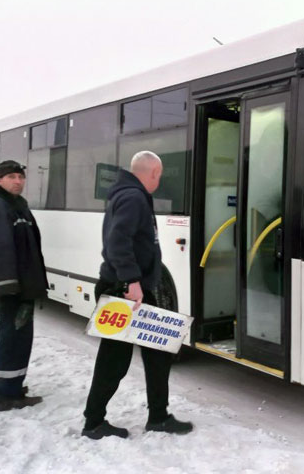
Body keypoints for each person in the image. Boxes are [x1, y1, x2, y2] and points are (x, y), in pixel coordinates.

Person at [82, 151, 193, 439]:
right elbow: (117, 242)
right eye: (160, 174)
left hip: (136, 291)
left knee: (159, 352)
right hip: (124, 292)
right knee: (114, 361)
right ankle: (93, 422)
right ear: (154, 172)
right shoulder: (132, 197)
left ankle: (158, 416)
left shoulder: (131, 194)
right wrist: (131, 281)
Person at [0, 160, 48, 411]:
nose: (18, 181)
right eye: (12, 177)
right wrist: (8, 290)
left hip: (18, 287)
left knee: (7, 337)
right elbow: (0, 252)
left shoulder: (13, 206)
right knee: (15, 339)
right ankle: (8, 394)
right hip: (13, 290)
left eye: (21, 177)